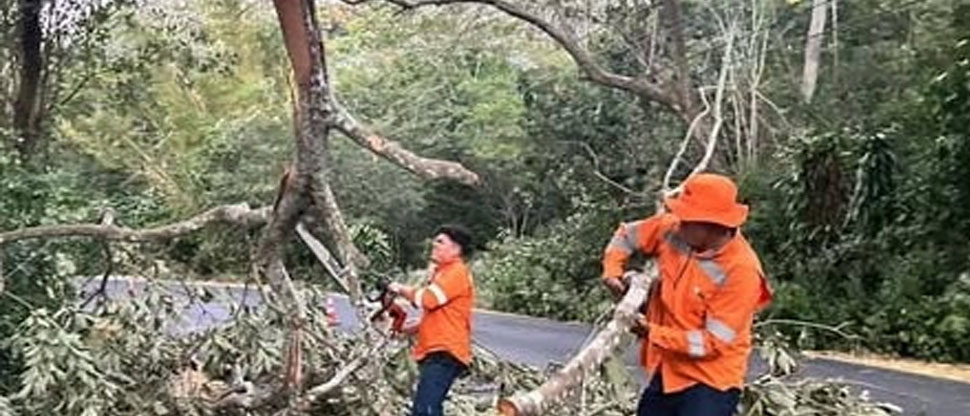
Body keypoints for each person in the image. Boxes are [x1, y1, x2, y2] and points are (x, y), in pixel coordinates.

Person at [601, 173, 772, 416]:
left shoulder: (741, 272)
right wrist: (612, 270)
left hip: (709, 381)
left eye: (687, 219)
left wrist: (650, 332)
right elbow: (627, 235)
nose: (678, 222)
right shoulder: (675, 230)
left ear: (712, 225)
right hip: (668, 370)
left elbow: (711, 343)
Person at [387, 225, 476, 416]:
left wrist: (399, 288)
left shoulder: (456, 272)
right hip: (436, 351)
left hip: (445, 352)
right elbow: (439, 314)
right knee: (425, 407)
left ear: (456, 249)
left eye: (440, 242)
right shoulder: (442, 273)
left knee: (426, 410)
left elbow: (428, 300)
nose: (434, 245)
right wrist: (409, 328)